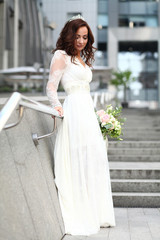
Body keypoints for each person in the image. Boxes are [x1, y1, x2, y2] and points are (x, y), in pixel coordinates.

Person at [46, 14, 116, 236]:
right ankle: (81, 212)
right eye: (77, 36)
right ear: (70, 35)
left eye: (85, 37)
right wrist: (58, 107)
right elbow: (50, 87)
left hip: (87, 111)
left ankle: (96, 212)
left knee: (94, 158)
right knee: (78, 158)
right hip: (74, 111)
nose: (81, 41)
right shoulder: (62, 56)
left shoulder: (81, 58)